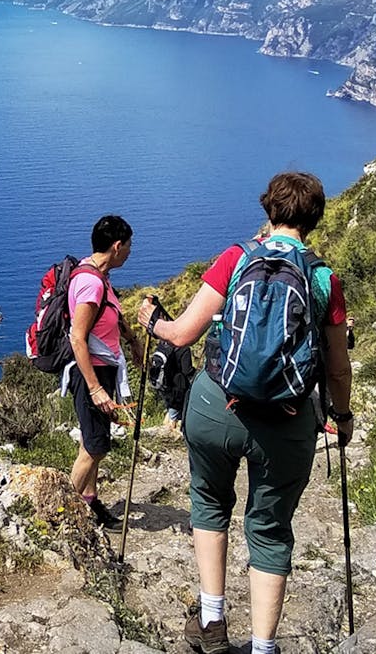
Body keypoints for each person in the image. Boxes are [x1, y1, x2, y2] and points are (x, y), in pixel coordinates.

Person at [137, 172, 354, 654]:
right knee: (270, 530)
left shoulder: (236, 258)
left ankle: (212, 620)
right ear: (315, 218)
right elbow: (338, 370)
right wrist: (343, 417)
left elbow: (182, 335)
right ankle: (262, 648)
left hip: (216, 407)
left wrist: (151, 321)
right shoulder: (322, 279)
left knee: (210, 502)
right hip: (287, 417)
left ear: (268, 209)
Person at [66, 214, 144, 530]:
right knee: (93, 447)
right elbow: (77, 337)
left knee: (94, 442)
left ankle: (89, 501)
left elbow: (111, 315)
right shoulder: (89, 282)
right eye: (128, 246)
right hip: (91, 374)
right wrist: (96, 388)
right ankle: (63, 514)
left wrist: (133, 341)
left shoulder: (100, 275)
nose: (129, 252)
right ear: (116, 246)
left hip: (103, 369)